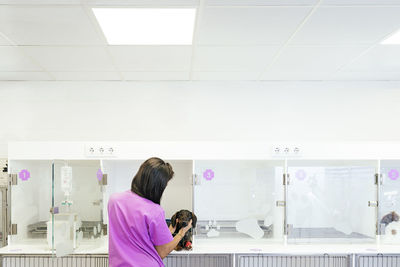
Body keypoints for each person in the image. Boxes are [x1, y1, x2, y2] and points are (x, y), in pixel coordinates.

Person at [108, 157, 192, 267]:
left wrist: (169, 231)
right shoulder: (154, 210)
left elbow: (136, 236)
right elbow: (162, 251)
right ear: (157, 186)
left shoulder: (114, 201)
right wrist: (182, 233)